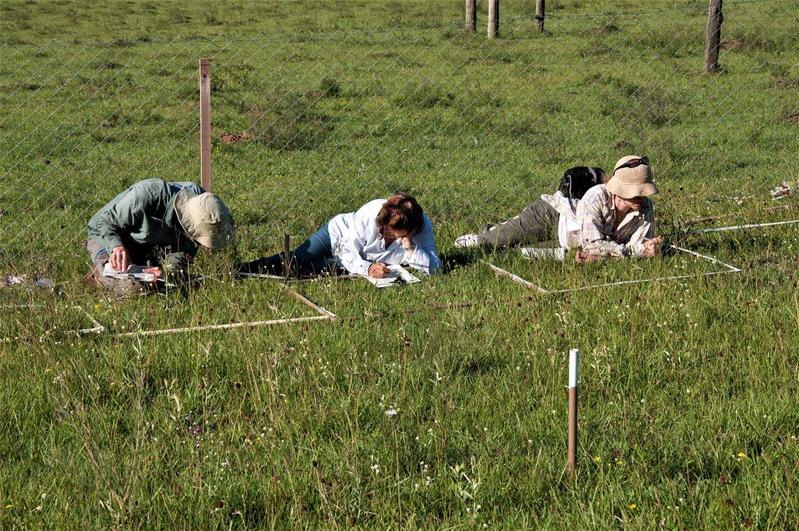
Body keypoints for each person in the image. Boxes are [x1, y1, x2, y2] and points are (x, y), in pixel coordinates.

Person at [86, 178, 235, 296]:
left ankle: (142, 266)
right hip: (105, 236)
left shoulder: (202, 206)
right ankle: (99, 276)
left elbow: (182, 252)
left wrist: (166, 273)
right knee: (133, 288)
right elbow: (106, 222)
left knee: (169, 282)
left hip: (149, 246)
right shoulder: (147, 195)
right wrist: (116, 247)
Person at [239, 192, 442, 278]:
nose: (394, 237)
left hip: (355, 261)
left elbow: (435, 268)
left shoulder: (421, 227)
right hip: (337, 235)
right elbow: (347, 250)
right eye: (390, 231)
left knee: (310, 270)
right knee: (296, 260)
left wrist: (410, 247)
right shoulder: (369, 214)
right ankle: (246, 270)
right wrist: (369, 268)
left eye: (401, 234)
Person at [454, 166, 606, 250]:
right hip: (550, 215)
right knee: (489, 243)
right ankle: (487, 234)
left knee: (515, 252)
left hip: (566, 241)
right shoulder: (604, 192)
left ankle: (500, 228)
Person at [575, 155, 662, 261]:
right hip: (558, 229)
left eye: (644, 192)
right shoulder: (595, 198)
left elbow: (642, 247)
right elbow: (592, 246)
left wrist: (600, 258)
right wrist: (638, 251)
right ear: (619, 189)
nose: (642, 198)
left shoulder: (645, 205)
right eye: (636, 193)